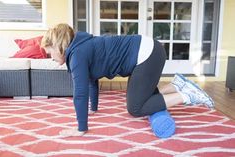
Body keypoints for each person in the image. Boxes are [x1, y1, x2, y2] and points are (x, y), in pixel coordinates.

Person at [41, 23, 214, 137]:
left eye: (50, 52)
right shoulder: (80, 48)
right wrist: (93, 109)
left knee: (136, 107)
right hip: (149, 50)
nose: (51, 57)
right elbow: (91, 80)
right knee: (140, 95)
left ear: (59, 45)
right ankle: (177, 85)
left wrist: (81, 128)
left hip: (148, 55)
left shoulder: (77, 54)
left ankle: (187, 95)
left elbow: (80, 93)